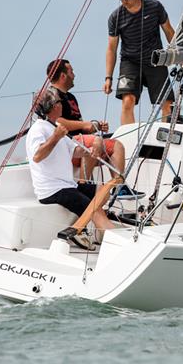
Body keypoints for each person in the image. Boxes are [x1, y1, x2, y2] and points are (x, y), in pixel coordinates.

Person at [25, 87, 115, 250]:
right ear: (53, 107)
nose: (63, 105)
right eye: (60, 102)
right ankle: (115, 240)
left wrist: (96, 143)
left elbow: (76, 151)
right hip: (52, 190)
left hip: (67, 186)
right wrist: (56, 137)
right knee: (91, 207)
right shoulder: (39, 129)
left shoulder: (55, 127)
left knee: (103, 190)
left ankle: (84, 230)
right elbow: (37, 156)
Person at [103, 0, 183, 125]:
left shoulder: (155, 7)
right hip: (130, 62)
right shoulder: (115, 17)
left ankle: (165, 143)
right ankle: (126, 143)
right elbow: (111, 48)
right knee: (127, 101)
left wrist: (181, 57)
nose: (123, 0)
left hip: (154, 59)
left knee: (167, 103)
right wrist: (108, 77)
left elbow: (169, 32)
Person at [46, 59, 125, 182]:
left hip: (79, 143)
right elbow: (57, 122)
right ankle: (84, 186)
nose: (74, 75)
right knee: (95, 142)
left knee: (117, 145)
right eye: (71, 71)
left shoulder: (71, 97)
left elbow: (80, 125)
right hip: (62, 144)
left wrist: (95, 126)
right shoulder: (50, 95)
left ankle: (119, 188)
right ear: (63, 76)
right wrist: (86, 124)